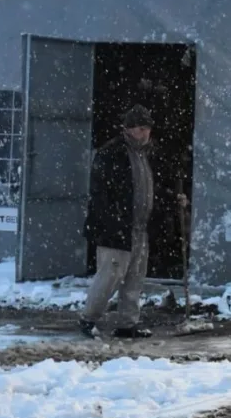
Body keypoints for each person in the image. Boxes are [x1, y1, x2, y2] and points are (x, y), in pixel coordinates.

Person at [78, 104, 187, 339]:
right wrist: (111, 222)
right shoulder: (111, 154)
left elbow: (151, 188)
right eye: (139, 128)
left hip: (139, 227)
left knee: (135, 277)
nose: (144, 132)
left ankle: (127, 323)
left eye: (146, 127)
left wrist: (172, 199)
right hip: (116, 228)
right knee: (109, 277)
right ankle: (88, 319)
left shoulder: (148, 154)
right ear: (127, 129)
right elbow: (100, 194)